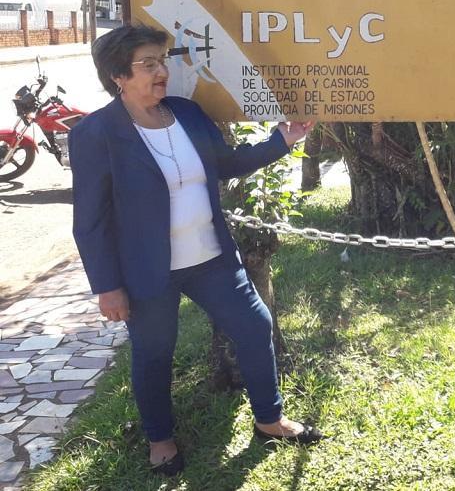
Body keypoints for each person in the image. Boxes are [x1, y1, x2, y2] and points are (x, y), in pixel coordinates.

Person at [70, 24, 321, 476]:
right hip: (148, 271)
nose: (160, 71)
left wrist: (282, 140)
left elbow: (223, 163)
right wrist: (107, 287)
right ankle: (160, 440)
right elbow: (90, 220)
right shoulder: (97, 133)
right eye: (148, 64)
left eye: (161, 62)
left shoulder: (186, 113)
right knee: (153, 353)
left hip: (210, 257)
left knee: (254, 324)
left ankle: (269, 418)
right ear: (118, 76)